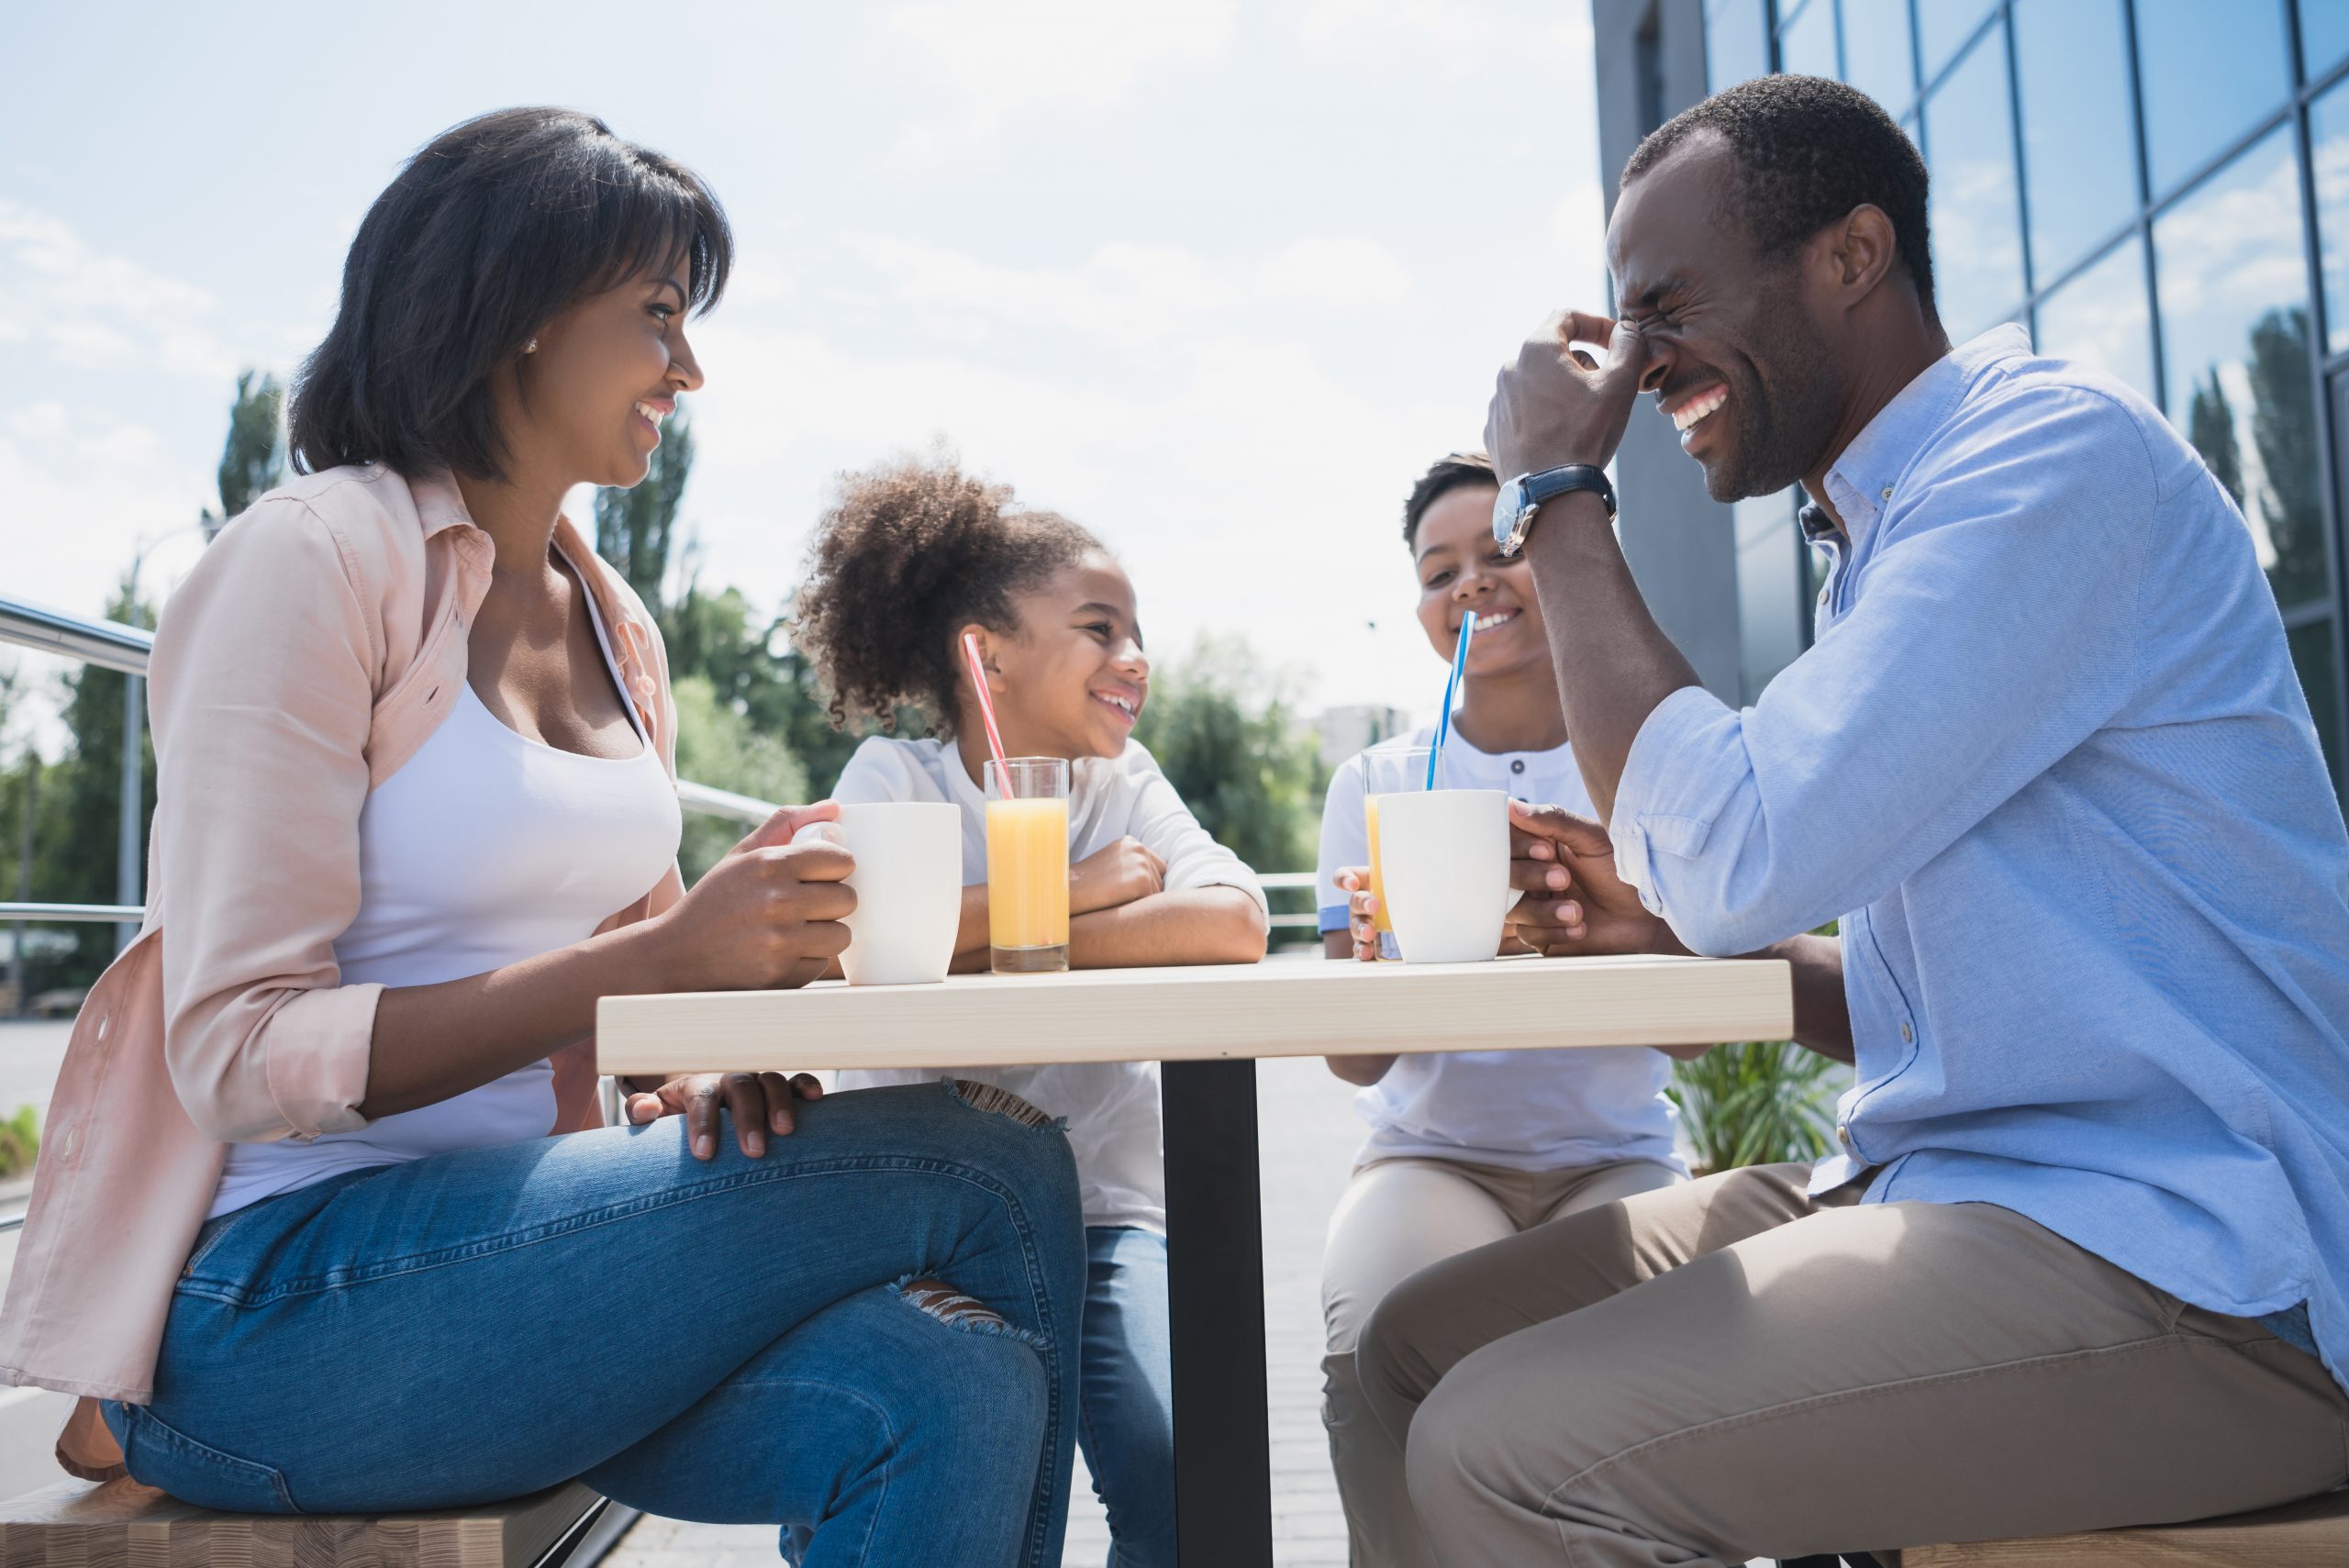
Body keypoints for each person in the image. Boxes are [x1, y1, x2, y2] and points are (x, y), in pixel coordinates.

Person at [0, 109, 1089, 1568]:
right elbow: (241, 1052)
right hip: (279, 1308)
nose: (688, 370)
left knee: (951, 1382)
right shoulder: (313, 562)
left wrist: (702, 1038)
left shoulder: (614, 625)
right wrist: (658, 957)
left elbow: (635, 990)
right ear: (515, 314)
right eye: (657, 317)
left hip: (525, 1267)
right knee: (986, 1163)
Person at [1353, 73, 2349, 1567]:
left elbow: (1743, 851)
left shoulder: (2042, 466)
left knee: (1508, 1455)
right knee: (1411, 1344)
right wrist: (1677, 930)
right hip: (1958, 1180)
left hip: (2204, 1258)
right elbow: (1932, 1004)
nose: (1636, 366)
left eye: (1666, 306)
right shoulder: (1884, 538)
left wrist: (1559, 488)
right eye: (1622, 324)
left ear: (1852, 255)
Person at [790, 453, 1270, 1568]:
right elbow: (865, 943)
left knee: (1179, 1475)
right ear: (985, 652)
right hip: (922, 1216)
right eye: (1100, 627)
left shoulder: (1121, 781)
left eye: (1136, 630)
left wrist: (1015, 932)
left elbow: (1234, 917)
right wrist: (1073, 887)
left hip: (1105, 1211)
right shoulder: (894, 779)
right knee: (962, 1491)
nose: (1134, 658)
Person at [1310, 451, 1684, 1568]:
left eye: (1499, 553)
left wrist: (1609, 924)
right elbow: (1353, 1062)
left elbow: (1705, 1021)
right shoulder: (1377, 785)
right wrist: (1390, 948)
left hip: (1613, 1157)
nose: (1468, 582)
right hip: (1434, 1156)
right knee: (1368, 1334)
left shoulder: (1644, 760)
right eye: (1439, 569)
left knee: (1648, 1356)